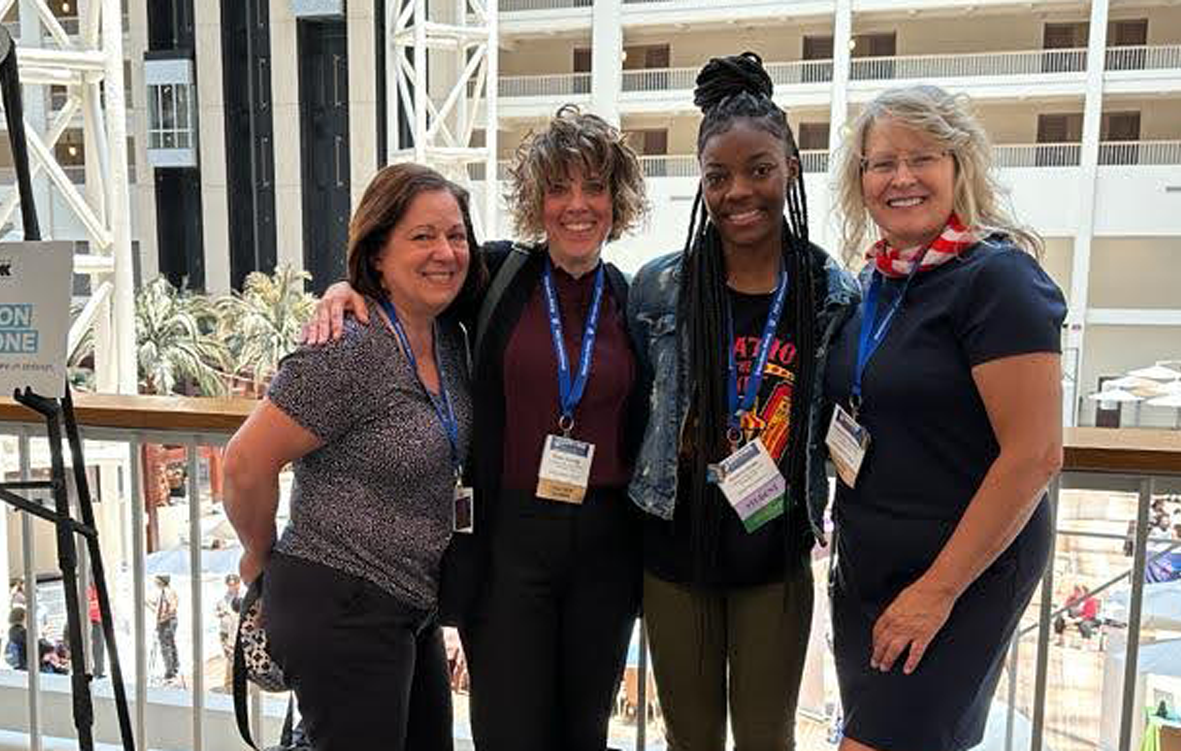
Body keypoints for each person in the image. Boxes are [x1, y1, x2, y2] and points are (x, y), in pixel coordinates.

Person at [304, 106, 651, 751]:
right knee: (508, 731)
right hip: (509, 543)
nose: (577, 205)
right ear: (537, 201)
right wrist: (344, 290)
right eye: (558, 188)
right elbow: (409, 281)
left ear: (617, 200)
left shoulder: (636, 299)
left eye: (594, 187)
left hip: (606, 547)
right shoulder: (497, 276)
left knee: (584, 734)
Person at [626, 52, 857, 750]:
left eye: (759, 169)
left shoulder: (829, 293)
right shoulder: (660, 289)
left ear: (791, 167)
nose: (738, 192)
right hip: (677, 554)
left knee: (767, 737)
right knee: (689, 738)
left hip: (773, 558)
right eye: (717, 176)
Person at [825, 84, 1066, 751]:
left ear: (960, 166)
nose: (901, 177)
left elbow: (1035, 455)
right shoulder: (875, 285)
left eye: (922, 157)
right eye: (882, 162)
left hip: (960, 576)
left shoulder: (998, 280)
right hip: (868, 571)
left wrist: (937, 591)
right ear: (861, 181)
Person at [224, 162, 482, 751]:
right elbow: (244, 463)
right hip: (342, 602)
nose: (445, 252)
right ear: (378, 253)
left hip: (409, 604)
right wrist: (259, 555)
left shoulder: (446, 336)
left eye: (456, 235)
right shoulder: (349, 346)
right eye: (422, 236)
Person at [216, 573, 243, 690]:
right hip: (226, 632)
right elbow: (217, 611)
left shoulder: (244, 597)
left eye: (234, 584)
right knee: (230, 659)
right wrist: (221, 614)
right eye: (229, 584)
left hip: (240, 632)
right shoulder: (223, 599)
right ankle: (229, 685)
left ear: (238, 584)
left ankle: (235, 683)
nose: (232, 586)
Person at [152, 575, 179, 681]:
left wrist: (163, 618)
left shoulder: (168, 592)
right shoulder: (163, 592)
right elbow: (159, 608)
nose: (155, 582)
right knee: (169, 644)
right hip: (166, 621)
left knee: (166, 646)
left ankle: (170, 672)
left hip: (167, 622)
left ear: (162, 581)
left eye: (157, 580)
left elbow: (173, 607)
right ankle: (173, 668)